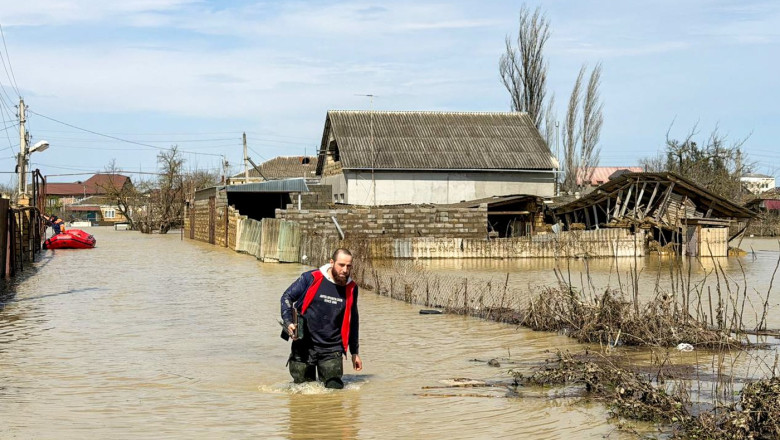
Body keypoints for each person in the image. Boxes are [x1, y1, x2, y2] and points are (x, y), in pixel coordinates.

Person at [280, 248, 362, 389]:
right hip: (304, 347)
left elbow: (353, 321)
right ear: (332, 262)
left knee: (334, 394)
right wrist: (288, 323)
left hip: (332, 350)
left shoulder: (352, 288)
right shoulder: (311, 278)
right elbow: (287, 297)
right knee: (301, 394)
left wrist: (354, 352)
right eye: (341, 265)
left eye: (348, 266)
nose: (345, 270)